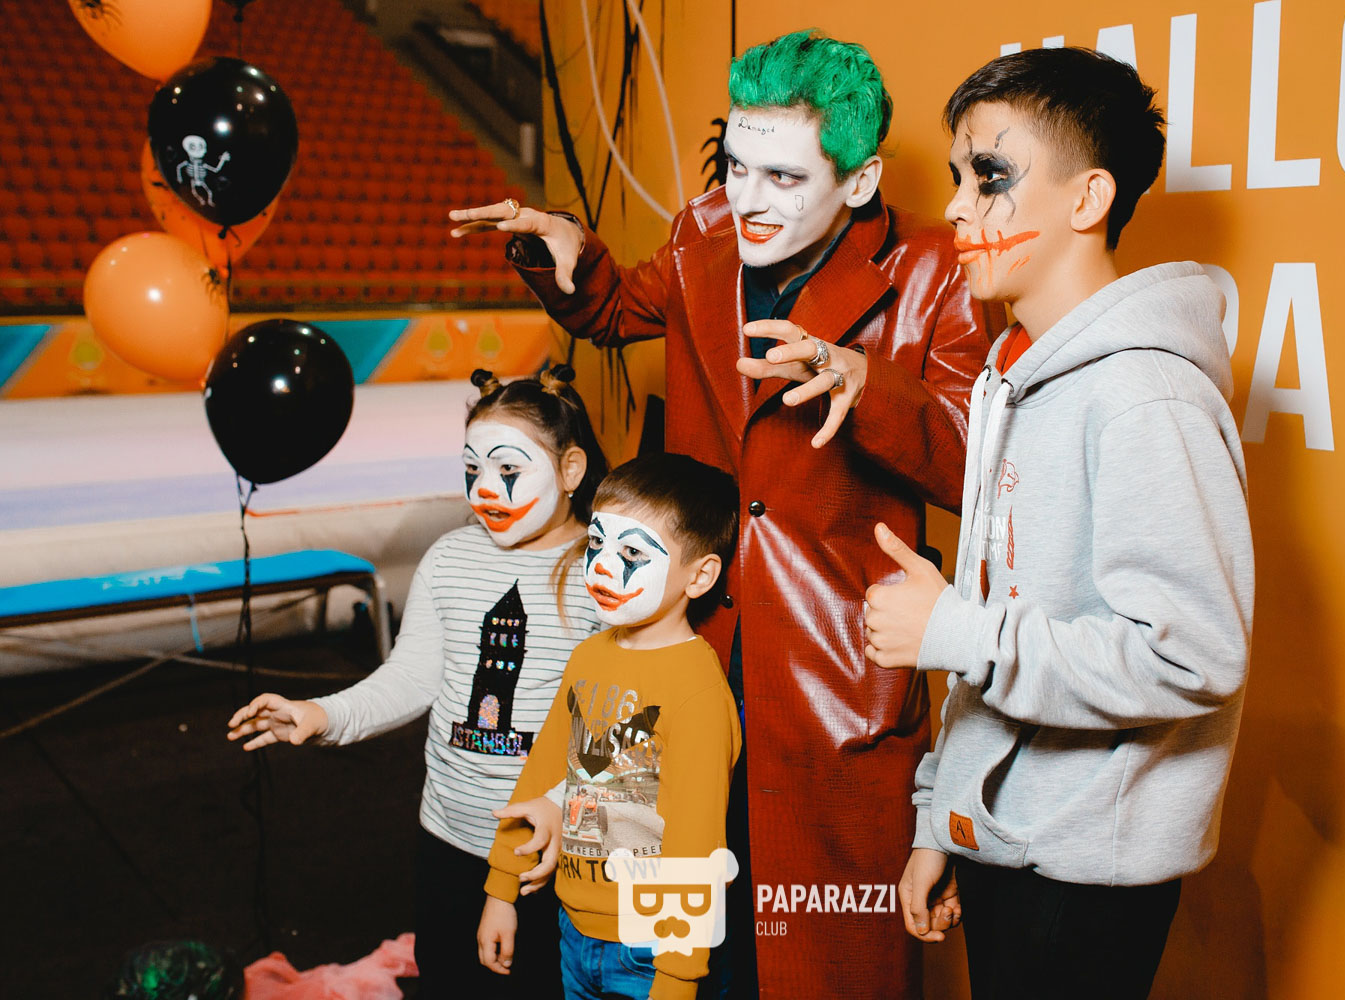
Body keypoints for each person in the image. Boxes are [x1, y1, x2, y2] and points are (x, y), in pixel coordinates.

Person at [451, 30, 990, 998]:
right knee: (672, 938)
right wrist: (565, 251)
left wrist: (862, 383)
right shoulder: (702, 231)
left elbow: (968, 461)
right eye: (738, 166)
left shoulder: (936, 269)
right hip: (687, 639)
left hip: (834, 679)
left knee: (825, 965)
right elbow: (615, 311)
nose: (747, 198)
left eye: (784, 177)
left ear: (860, 182)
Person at [862, 46, 1255, 1000]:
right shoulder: (1012, 370)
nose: (957, 207)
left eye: (989, 177)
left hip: (1087, 875)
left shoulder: (1144, 396)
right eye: (958, 177)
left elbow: (1191, 655)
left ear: (1088, 199)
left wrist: (956, 632)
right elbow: (1004, 608)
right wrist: (944, 818)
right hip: (1007, 842)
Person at [226, 365, 609, 998]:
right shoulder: (450, 558)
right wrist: (323, 715)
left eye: (508, 470)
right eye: (472, 469)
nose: (485, 490)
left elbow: (624, 726)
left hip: (555, 853)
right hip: (449, 837)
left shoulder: (607, 576)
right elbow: (411, 675)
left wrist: (565, 809)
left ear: (571, 470)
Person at [477, 453, 742, 1000]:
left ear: (699, 576)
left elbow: (696, 842)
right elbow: (542, 773)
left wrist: (678, 977)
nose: (599, 566)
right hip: (573, 928)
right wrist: (501, 888)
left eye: (631, 553)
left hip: (653, 949)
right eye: (597, 544)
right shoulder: (588, 657)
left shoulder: (697, 690)